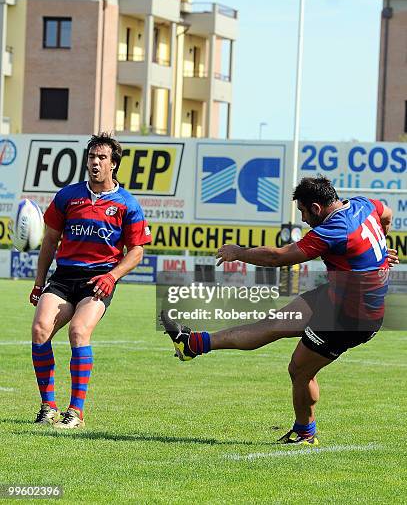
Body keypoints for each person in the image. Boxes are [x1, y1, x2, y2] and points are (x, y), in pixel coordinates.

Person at [161, 176, 399, 446]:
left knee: (299, 370)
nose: (304, 219)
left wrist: (239, 252)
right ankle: (191, 345)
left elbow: (279, 257)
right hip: (337, 295)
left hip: (351, 318)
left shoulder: (333, 230)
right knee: (273, 324)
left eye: (303, 212)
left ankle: (305, 433)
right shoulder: (363, 204)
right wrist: (379, 249)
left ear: (316, 208)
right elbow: (387, 213)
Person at [30, 133, 151, 428]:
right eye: (91, 157)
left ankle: (75, 412)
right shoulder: (68, 196)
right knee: (40, 328)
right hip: (64, 277)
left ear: (114, 165)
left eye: (102, 158)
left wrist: (112, 276)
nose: (95, 163)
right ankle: (48, 407)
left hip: (98, 280)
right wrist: (39, 281)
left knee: (78, 332)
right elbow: (49, 241)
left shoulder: (127, 204)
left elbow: (136, 251)